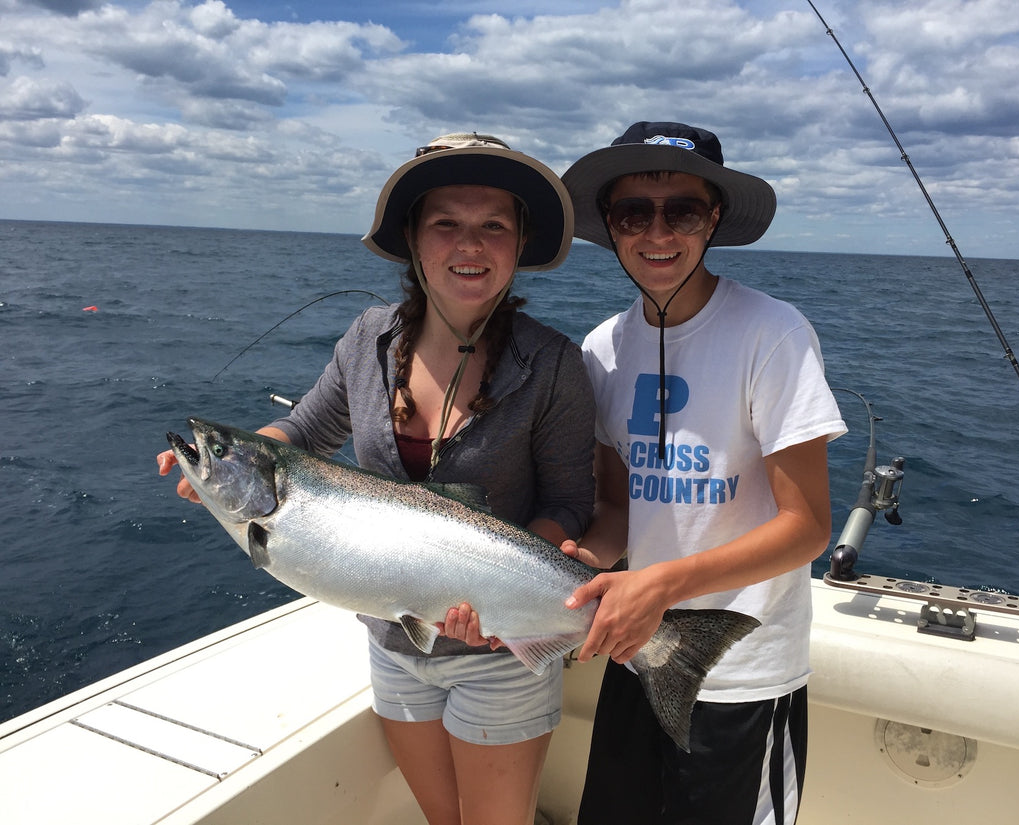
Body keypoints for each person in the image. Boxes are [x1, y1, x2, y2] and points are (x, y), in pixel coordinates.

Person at [157, 132, 596, 825]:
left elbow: (571, 505)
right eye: (446, 222)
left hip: (500, 652)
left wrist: (495, 601)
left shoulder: (554, 366)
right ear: (415, 240)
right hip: (394, 642)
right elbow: (299, 433)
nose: (469, 245)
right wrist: (225, 462)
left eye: (493, 226)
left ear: (518, 245)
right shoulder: (368, 339)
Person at [560, 122, 848, 825]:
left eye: (681, 210)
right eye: (635, 212)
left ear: (713, 217)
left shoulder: (771, 332)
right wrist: (582, 563)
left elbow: (807, 526)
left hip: (743, 674)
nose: (657, 233)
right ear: (611, 224)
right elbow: (619, 507)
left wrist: (660, 583)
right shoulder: (604, 347)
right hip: (638, 663)